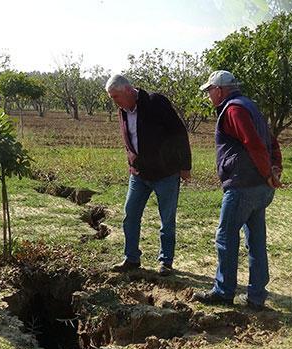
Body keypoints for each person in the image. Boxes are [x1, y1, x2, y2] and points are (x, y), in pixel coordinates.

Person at [192, 70, 282, 311]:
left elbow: (253, 143)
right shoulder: (250, 105)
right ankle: (256, 297)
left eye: (209, 90)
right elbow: (271, 140)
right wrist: (274, 170)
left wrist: (267, 172)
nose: (208, 95)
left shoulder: (233, 110)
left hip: (243, 186)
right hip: (260, 187)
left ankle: (223, 291)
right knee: (256, 241)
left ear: (220, 90)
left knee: (225, 238)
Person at [105, 74, 192, 275]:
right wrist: (131, 161)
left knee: (166, 220)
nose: (114, 102)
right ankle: (131, 258)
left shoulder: (156, 102)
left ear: (128, 90)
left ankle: (165, 261)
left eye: (115, 96)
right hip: (139, 175)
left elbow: (179, 133)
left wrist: (185, 166)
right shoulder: (123, 110)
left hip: (166, 174)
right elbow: (130, 138)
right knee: (130, 215)